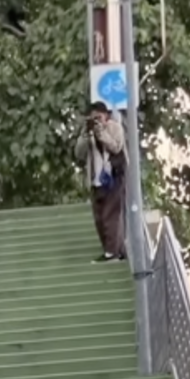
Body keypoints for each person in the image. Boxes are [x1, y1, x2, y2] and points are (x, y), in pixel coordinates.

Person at [75, 101, 128, 264]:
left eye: (98, 117)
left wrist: (101, 133)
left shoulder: (114, 127)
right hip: (96, 181)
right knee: (99, 220)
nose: (95, 121)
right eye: (92, 118)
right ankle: (113, 251)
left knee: (110, 216)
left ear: (106, 116)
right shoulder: (88, 132)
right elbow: (78, 154)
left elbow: (116, 147)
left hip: (114, 178)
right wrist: (86, 135)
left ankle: (111, 253)